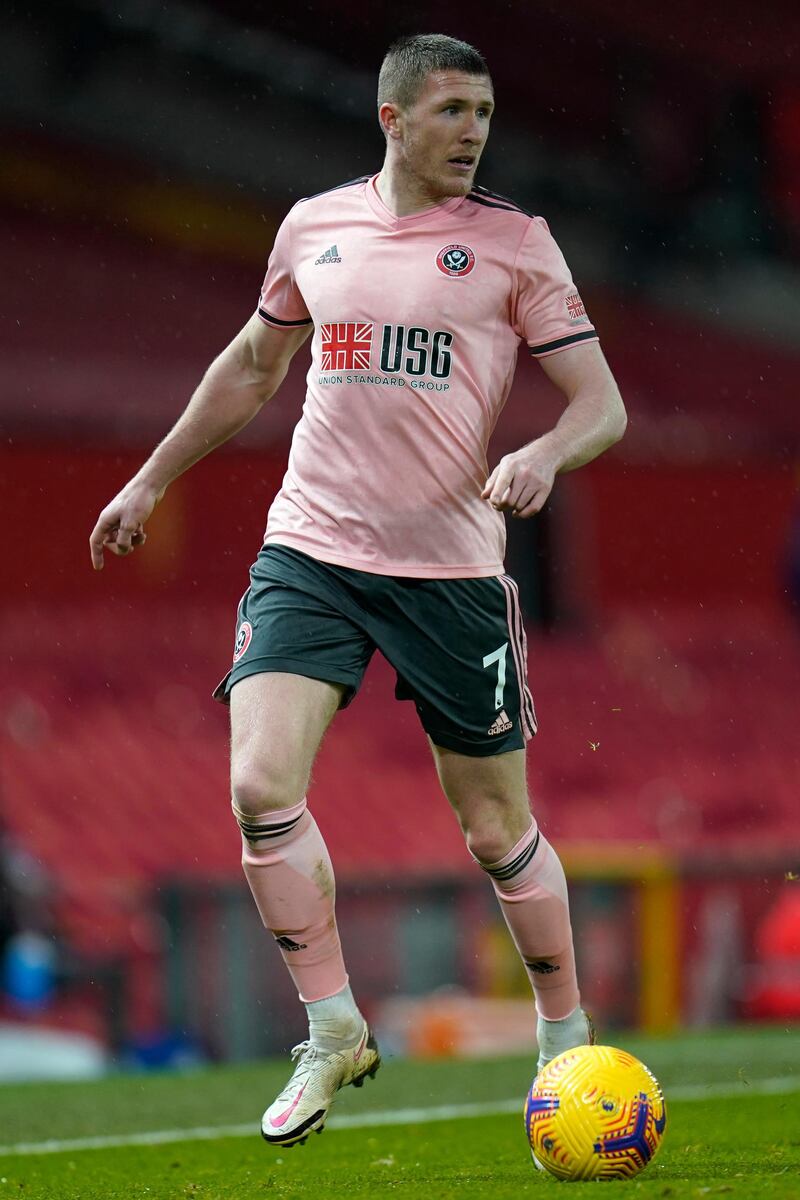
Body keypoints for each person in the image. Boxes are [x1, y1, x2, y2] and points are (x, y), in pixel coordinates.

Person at [89, 33, 626, 1147]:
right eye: (450, 111)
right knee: (256, 784)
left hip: (449, 572)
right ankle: (334, 1031)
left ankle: (562, 1035)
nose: (473, 130)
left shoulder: (515, 245)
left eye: (482, 110)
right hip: (313, 553)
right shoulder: (311, 227)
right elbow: (250, 365)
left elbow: (600, 405)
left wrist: (541, 454)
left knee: (492, 830)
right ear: (391, 118)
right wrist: (148, 480)